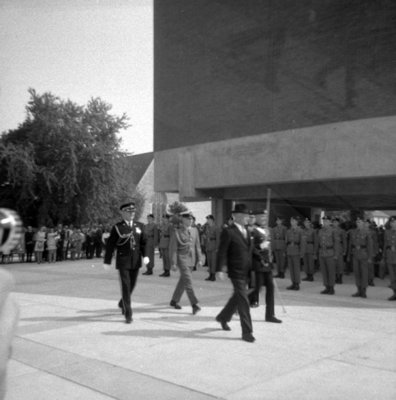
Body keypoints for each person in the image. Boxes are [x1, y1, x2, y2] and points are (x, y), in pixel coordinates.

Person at [216, 203, 255, 343]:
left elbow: (249, 250)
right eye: (245, 216)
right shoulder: (229, 231)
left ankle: (223, 317)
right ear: (237, 216)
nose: (248, 218)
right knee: (243, 300)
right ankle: (247, 332)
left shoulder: (248, 231)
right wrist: (220, 269)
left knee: (237, 297)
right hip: (235, 271)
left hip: (246, 270)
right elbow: (222, 251)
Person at [103, 201, 146, 323]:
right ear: (123, 213)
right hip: (123, 261)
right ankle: (128, 313)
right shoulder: (118, 227)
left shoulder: (140, 226)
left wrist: (146, 255)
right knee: (126, 287)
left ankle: (122, 302)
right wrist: (107, 261)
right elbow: (110, 245)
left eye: (133, 211)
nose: (132, 213)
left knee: (132, 284)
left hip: (136, 260)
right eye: (129, 211)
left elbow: (144, 243)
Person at [248, 210, 282, 323]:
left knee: (270, 289)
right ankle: (238, 304)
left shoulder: (266, 230)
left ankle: (270, 315)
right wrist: (261, 251)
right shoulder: (253, 230)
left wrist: (269, 256)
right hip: (258, 264)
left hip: (267, 264)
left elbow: (268, 248)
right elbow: (251, 248)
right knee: (257, 289)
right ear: (257, 218)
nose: (264, 219)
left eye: (265, 217)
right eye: (261, 217)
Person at [169, 210, 203, 314]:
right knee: (188, 281)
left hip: (191, 259)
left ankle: (174, 300)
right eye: (188, 219)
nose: (191, 220)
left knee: (183, 281)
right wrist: (173, 263)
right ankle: (194, 304)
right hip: (182, 258)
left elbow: (197, 246)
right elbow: (173, 248)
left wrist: (200, 259)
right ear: (183, 220)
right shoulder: (177, 232)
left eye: (192, 219)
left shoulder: (195, 230)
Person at [348, 217, 373, 298]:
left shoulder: (367, 232)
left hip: (364, 254)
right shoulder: (353, 232)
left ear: (363, 223)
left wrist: (370, 257)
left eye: (360, 222)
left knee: (364, 273)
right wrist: (349, 255)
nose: (358, 223)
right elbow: (350, 244)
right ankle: (358, 290)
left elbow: (370, 245)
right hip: (355, 254)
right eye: (357, 222)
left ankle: (364, 291)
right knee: (357, 273)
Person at [315, 216, 339, 295]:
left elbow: (336, 243)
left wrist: (336, 254)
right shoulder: (320, 231)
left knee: (331, 271)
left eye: (326, 221)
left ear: (330, 222)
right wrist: (316, 253)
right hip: (322, 252)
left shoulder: (333, 231)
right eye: (324, 221)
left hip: (330, 253)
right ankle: (326, 287)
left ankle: (331, 288)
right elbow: (318, 243)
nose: (325, 222)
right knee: (324, 271)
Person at [285, 216, 305, 290]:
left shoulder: (300, 231)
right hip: (290, 251)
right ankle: (293, 282)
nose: (292, 222)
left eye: (294, 221)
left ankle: (297, 283)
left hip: (296, 251)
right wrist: (286, 251)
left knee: (296, 269)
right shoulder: (288, 231)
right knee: (291, 269)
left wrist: (301, 253)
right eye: (291, 221)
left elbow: (302, 243)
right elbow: (286, 242)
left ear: (297, 222)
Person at [382, 216, 396, 301]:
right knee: (392, 277)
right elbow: (385, 245)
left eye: (394, 222)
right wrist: (384, 256)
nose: (392, 223)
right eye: (391, 222)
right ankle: (395, 293)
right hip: (390, 257)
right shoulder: (387, 232)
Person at [203, 215, 220, 281]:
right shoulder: (207, 227)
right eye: (207, 219)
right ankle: (210, 275)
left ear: (212, 220)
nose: (207, 221)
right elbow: (206, 237)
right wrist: (206, 245)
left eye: (208, 219)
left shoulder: (216, 228)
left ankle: (213, 276)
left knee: (213, 261)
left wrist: (217, 247)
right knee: (209, 261)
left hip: (214, 246)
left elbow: (218, 238)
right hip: (208, 246)